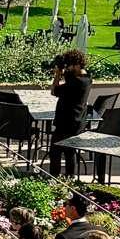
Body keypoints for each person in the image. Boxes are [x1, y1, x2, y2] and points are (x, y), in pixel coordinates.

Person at [48, 49, 94, 177]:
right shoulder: (87, 77)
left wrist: (57, 76)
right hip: (77, 121)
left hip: (67, 122)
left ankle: (55, 179)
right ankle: (70, 180)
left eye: (69, 66)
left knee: (55, 152)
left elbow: (54, 91)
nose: (67, 69)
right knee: (70, 153)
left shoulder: (76, 82)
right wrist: (65, 72)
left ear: (78, 65)